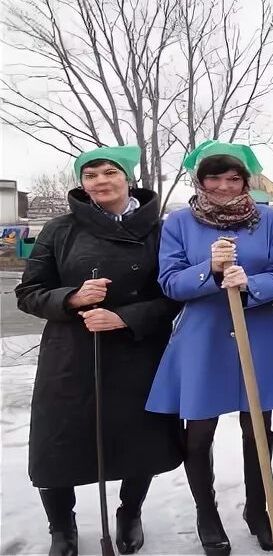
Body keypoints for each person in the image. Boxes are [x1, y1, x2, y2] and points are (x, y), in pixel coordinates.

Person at [16, 146, 183, 556]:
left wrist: (126, 318)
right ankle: (62, 528)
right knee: (59, 442)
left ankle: (129, 513)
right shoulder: (60, 230)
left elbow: (176, 294)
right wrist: (71, 298)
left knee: (136, 439)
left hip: (138, 351)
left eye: (110, 172)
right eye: (90, 175)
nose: (100, 181)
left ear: (128, 178)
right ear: (82, 183)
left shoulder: (161, 230)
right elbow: (28, 293)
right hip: (71, 353)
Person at [146, 140, 273, 555]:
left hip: (257, 333)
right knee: (198, 432)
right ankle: (206, 513)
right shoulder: (178, 222)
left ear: (246, 180)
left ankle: (258, 508)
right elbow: (170, 283)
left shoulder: (267, 219)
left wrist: (252, 284)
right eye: (214, 177)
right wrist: (208, 270)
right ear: (200, 179)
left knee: (258, 431)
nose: (224, 186)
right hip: (203, 337)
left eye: (234, 178)